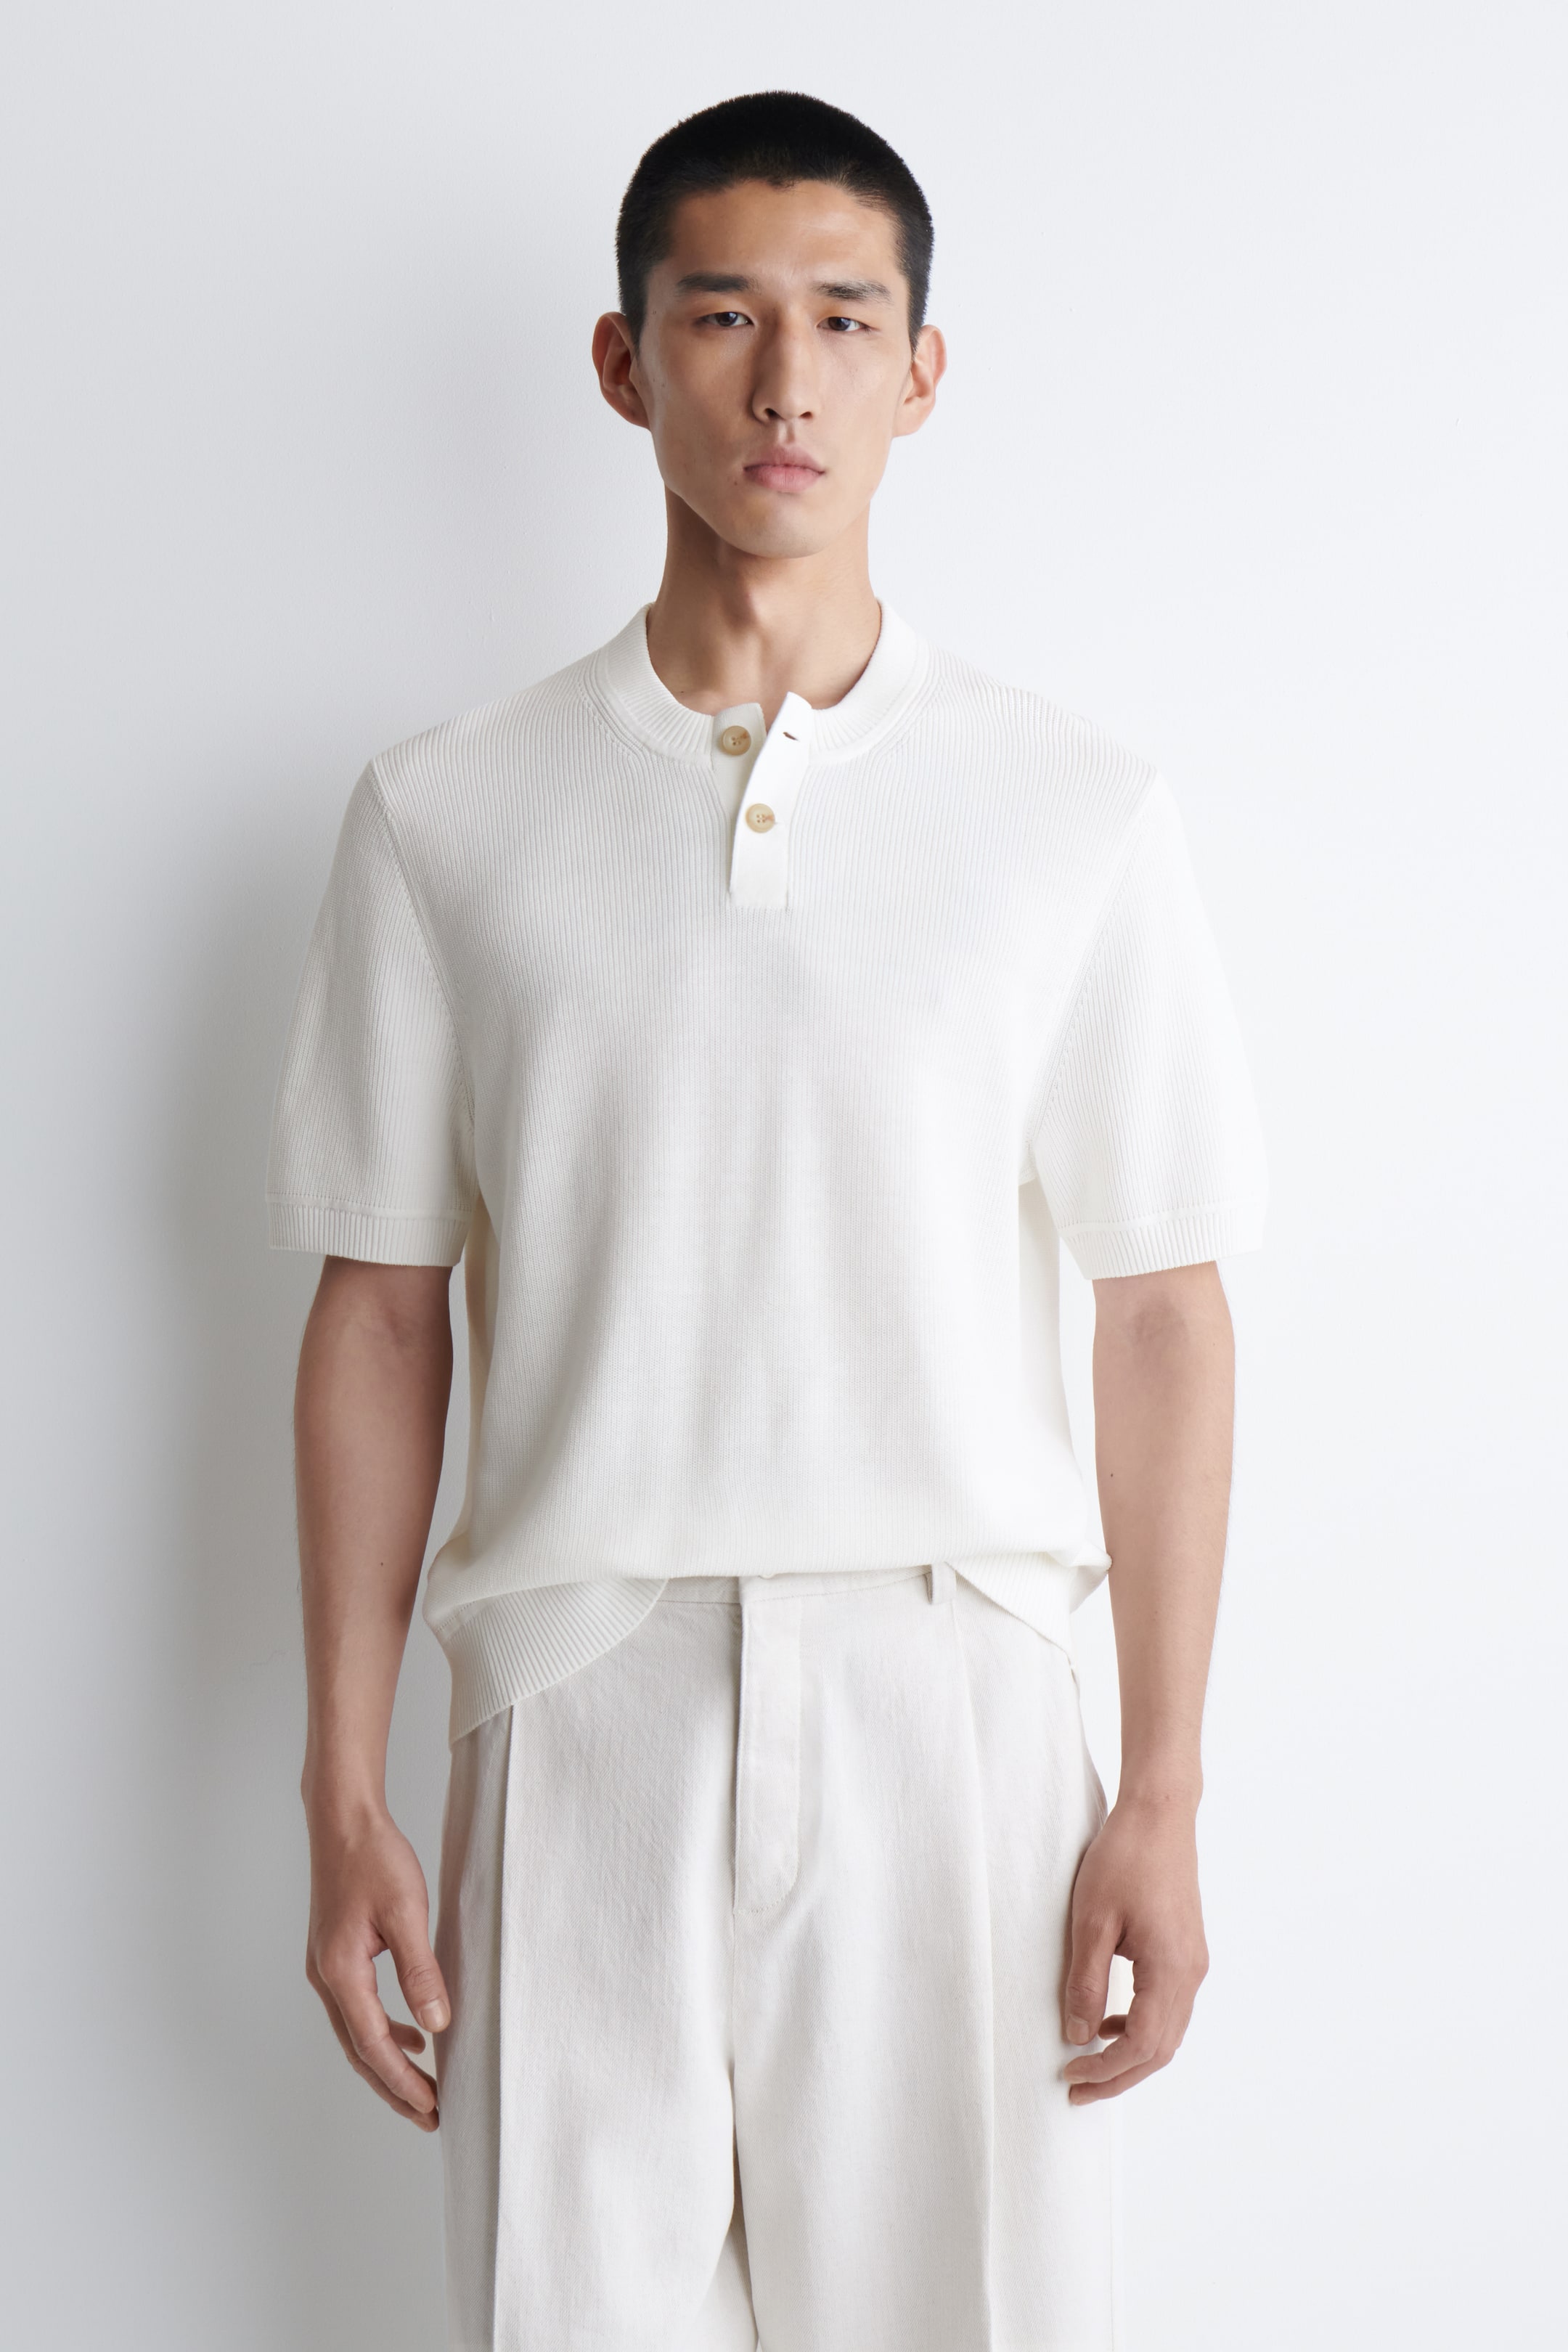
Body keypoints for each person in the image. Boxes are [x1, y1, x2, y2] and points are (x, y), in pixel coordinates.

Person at [267, 89, 1267, 2352]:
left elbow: (1163, 1314)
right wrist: (341, 1788)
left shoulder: (1070, 812)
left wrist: (1163, 1784)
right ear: (625, 364)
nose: (786, 381)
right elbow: (382, 1310)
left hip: (957, 1699)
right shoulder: (449, 817)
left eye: (844, 319)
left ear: (925, 371)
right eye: (722, 317)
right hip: (576, 1693)